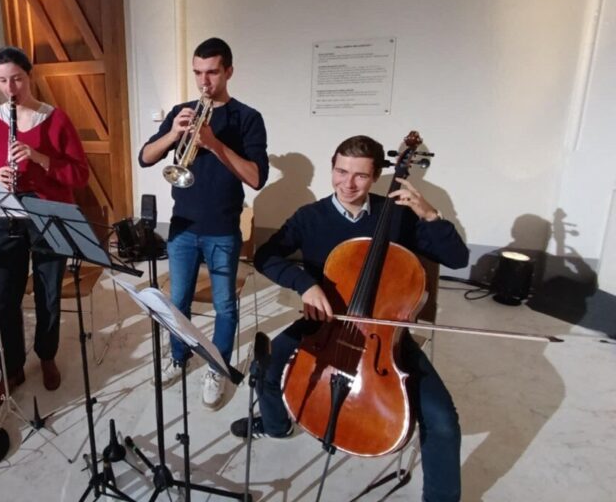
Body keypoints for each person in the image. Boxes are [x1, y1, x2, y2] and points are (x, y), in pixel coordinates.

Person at [229, 135, 469, 502]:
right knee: (266, 366)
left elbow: (457, 259)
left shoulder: (400, 217)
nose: (348, 183)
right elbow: (267, 256)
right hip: (324, 324)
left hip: (384, 338)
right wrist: (306, 285)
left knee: (443, 421)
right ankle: (276, 425)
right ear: (332, 168)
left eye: (360, 176)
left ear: (376, 177)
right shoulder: (311, 217)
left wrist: (430, 215)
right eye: (341, 171)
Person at [138, 37, 268, 409]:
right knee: (177, 301)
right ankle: (179, 356)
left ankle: (217, 365)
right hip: (182, 225)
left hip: (223, 228)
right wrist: (173, 134)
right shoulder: (183, 110)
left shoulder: (248, 119)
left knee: (225, 306)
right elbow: (145, 157)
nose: (204, 82)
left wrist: (213, 144)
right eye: (198, 73)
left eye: (212, 72)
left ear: (228, 71)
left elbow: (256, 178)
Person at [0, 46, 89, 408]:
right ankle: (11, 368)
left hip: (49, 212)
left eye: (17, 79)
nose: (10, 87)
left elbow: (80, 175)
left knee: (48, 291)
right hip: (3, 215)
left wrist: (38, 157)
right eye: (3, 80)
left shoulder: (55, 119)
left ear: (29, 77)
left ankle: (47, 355)